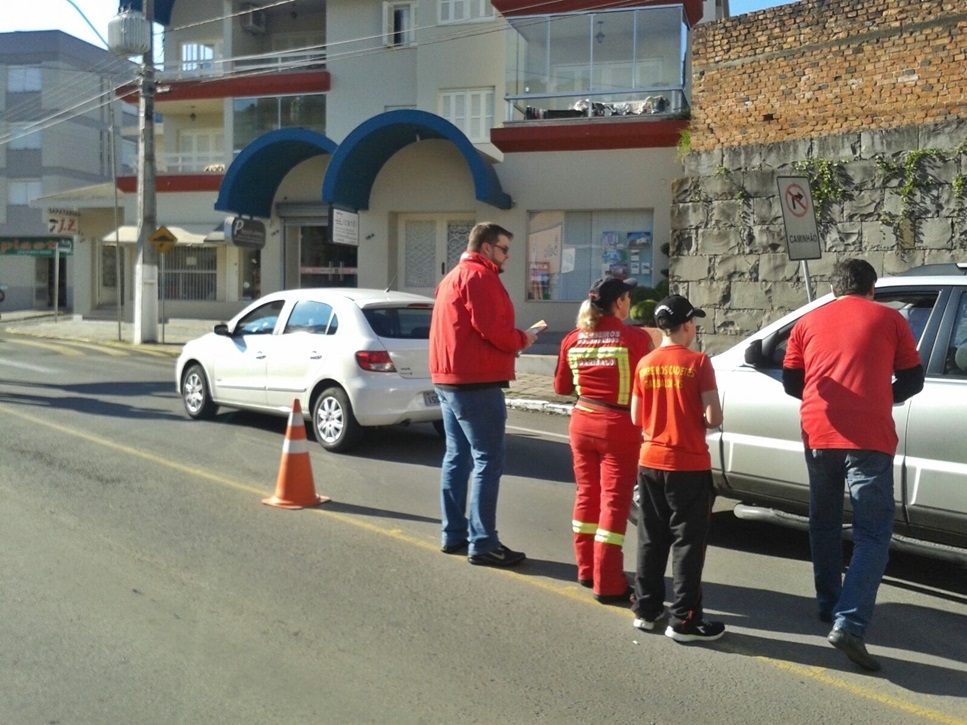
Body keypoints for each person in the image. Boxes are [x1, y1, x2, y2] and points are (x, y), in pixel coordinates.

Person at [782, 258, 924, 671]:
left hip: (819, 434)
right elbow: (913, 379)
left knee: (823, 521)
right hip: (871, 438)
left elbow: (793, 381)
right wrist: (880, 395)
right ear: (872, 290)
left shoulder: (807, 323)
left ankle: (829, 605)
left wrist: (826, 404)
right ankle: (850, 622)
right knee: (872, 533)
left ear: (834, 289)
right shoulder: (890, 320)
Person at [429, 222, 538, 568]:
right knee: (487, 461)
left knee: (457, 457)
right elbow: (494, 330)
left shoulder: (451, 278)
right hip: (476, 382)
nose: (507, 257)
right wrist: (524, 339)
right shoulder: (479, 277)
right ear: (488, 248)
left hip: (449, 380)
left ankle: (454, 534)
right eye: (504, 249)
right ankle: (484, 543)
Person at [630, 294, 725, 642]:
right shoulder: (698, 363)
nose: (695, 327)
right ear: (686, 325)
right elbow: (714, 417)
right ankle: (684, 620)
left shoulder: (645, 363)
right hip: (688, 464)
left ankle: (646, 609)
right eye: (694, 322)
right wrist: (696, 418)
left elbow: (637, 417)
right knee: (688, 542)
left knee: (650, 539)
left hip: (650, 462)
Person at [553, 277, 654, 603]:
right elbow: (649, 387)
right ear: (621, 303)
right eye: (627, 296)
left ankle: (586, 569)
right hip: (618, 426)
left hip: (582, 421)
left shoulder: (573, 338)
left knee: (587, 495)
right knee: (614, 501)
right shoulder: (634, 338)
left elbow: (561, 388)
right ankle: (608, 581)